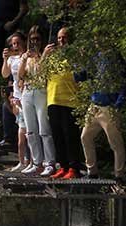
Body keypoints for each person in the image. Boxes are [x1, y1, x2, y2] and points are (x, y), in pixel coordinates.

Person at [79, 46, 126, 180]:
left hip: (109, 107)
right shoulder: (94, 57)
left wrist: (118, 104)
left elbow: (124, 80)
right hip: (94, 106)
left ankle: (119, 175)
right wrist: (81, 61)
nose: (98, 41)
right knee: (85, 136)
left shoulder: (116, 57)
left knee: (115, 142)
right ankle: (92, 172)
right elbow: (80, 77)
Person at [43, 27, 82, 180]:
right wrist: (45, 55)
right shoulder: (53, 57)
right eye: (59, 38)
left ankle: (74, 167)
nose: (61, 41)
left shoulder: (76, 56)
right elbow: (39, 73)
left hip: (70, 100)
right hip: (53, 99)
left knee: (70, 136)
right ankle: (63, 166)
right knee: (57, 135)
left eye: (64, 37)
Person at [18, 26, 56, 176]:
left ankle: (50, 162)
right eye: (32, 39)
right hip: (27, 91)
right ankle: (36, 162)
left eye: (37, 39)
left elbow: (42, 72)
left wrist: (43, 56)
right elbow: (20, 76)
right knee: (31, 130)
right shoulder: (26, 57)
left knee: (44, 128)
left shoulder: (46, 54)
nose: (34, 42)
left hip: (41, 91)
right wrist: (24, 59)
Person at [1, 32, 28, 163]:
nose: (15, 46)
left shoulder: (28, 56)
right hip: (17, 96)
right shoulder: (12, 59)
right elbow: (5, 74)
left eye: (18, 43)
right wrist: (5, 59)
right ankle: (22, 161)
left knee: (28, 130)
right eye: (13, 44)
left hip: (27, 95)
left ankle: (32, 161)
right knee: (21, 131)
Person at [0, 0, 28, 75]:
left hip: (11, 26)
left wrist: (13, 22)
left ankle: (12, 77)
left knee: (13, 51)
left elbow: (24, 8)